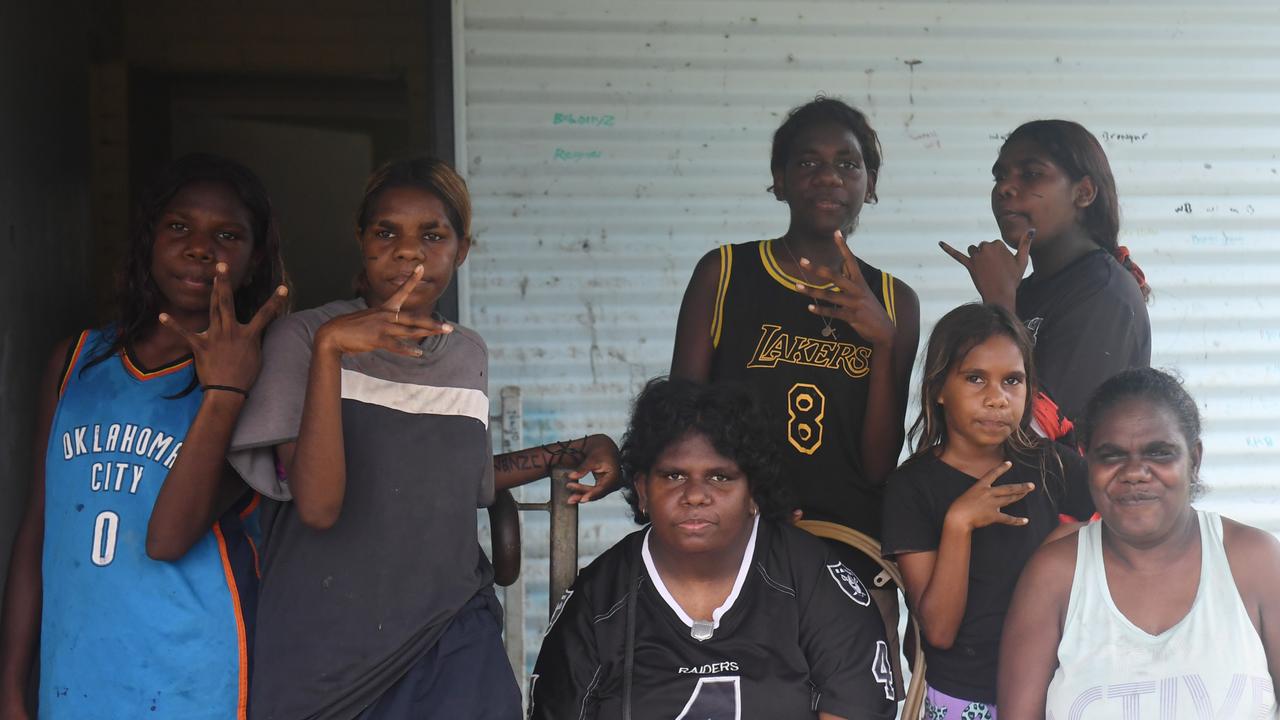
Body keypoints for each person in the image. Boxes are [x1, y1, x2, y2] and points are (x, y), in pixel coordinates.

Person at [227, 157, 621, 720]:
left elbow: (460, 479)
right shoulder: (305, 338)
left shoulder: (466, 354)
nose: (408, 252)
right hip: (329, 643)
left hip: (449, 628)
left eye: (432, 235)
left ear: (461, 250)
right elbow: (316, 505)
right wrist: (332, 352)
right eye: (386, 232)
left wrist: (574, 451)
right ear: (361, 241)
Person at [0, 154, 289, 719]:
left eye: (226, 235)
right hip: (75, 680)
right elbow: (39, 530)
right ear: (149, 237)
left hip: (196, 683)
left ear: (255, 260)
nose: (200, 248)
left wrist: (226, 389)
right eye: (179, 226)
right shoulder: (74, 363)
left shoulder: (262, 379)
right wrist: (11, 683)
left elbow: (172, 536)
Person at [670, 97, 920, 688]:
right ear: (779, 180)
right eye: (808, 163)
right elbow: (677, 423)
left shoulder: (895, 302)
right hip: (740, 541)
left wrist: (883, 343)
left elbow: (879, 464)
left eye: (848, 164)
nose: (829, 177)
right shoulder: (725, 273)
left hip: (849, 549)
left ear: (871, 184)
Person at [530, 377, 897, 720]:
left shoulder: (811, 578)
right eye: (673, 476)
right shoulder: (599, 597)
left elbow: (853, 702)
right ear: (642, 489)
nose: (694, 496)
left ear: (753, 491)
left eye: (720, 477)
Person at [998, 368, 1280, 718]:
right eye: (1112, 455)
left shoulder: (1255, 561)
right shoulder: (1055, 574)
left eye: (1159, 453)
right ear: (1087, 462)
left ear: (1194, 460)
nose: (1134, 472)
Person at [880, 303, 1094, 719]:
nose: (997, 399)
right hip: (964, 696)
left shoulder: (1049, 463)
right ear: (940, 388)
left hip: (1052, 687)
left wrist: (1069, 537)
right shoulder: (912, 487)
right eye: (976, 378)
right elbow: (939, 631)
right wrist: (959, 524)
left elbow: (1125, 519)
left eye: (1012, 381)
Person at [941, 119, 1150, 425]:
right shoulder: (1029, 290)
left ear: (1084, 193)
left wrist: (999, 305)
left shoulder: (1102, 292)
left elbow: (1036, 432)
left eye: (1031, 174)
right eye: (1000, 176)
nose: (1004, 188)